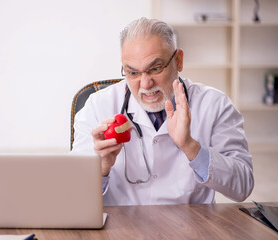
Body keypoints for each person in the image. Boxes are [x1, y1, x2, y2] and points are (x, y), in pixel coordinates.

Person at [71, 17, 254, 206]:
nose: (145, 84)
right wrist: (100, 170)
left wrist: (191, 147)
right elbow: (73, 198)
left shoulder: (215, 104)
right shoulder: (97, 106)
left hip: (190, 229)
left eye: (155, 68)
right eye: (133, 73)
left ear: (178, 61)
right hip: (121, 229)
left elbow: (243, 186)